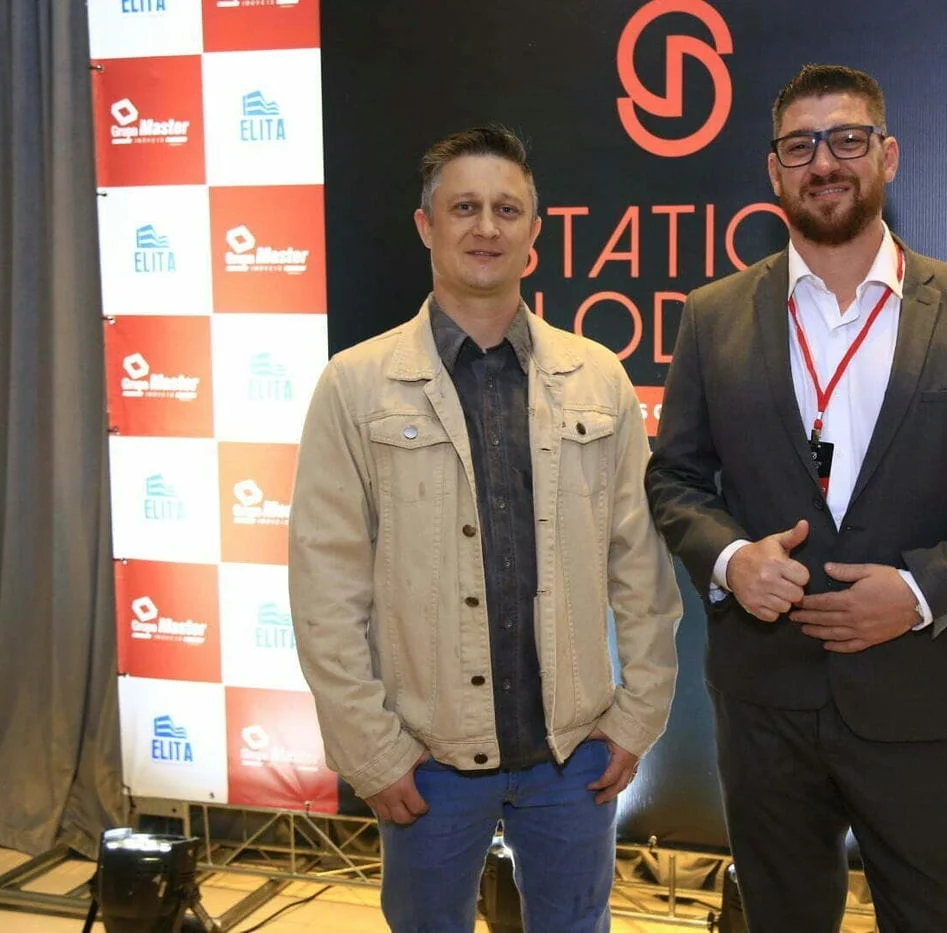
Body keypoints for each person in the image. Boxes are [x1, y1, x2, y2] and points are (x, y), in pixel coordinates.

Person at [644, 65, 947, 932]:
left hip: (919, 699)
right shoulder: (713, 316)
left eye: (847, 139)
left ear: (888, 155)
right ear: (774, 171)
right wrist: (731, 559)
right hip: (765, 701)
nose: (824, 162)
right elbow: (674, 477)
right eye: (800, 146)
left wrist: (917, 593)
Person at [288, 125, 682, 933]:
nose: (486, 227)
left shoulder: (598, 377)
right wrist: (372, 750)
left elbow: (641, 568)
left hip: (574, 756)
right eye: (464, 207)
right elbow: (326, 585)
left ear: (535, 231)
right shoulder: (355, 386)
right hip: (425, 757)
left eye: (507, 209)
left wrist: (636, 719)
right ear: (426, 225)